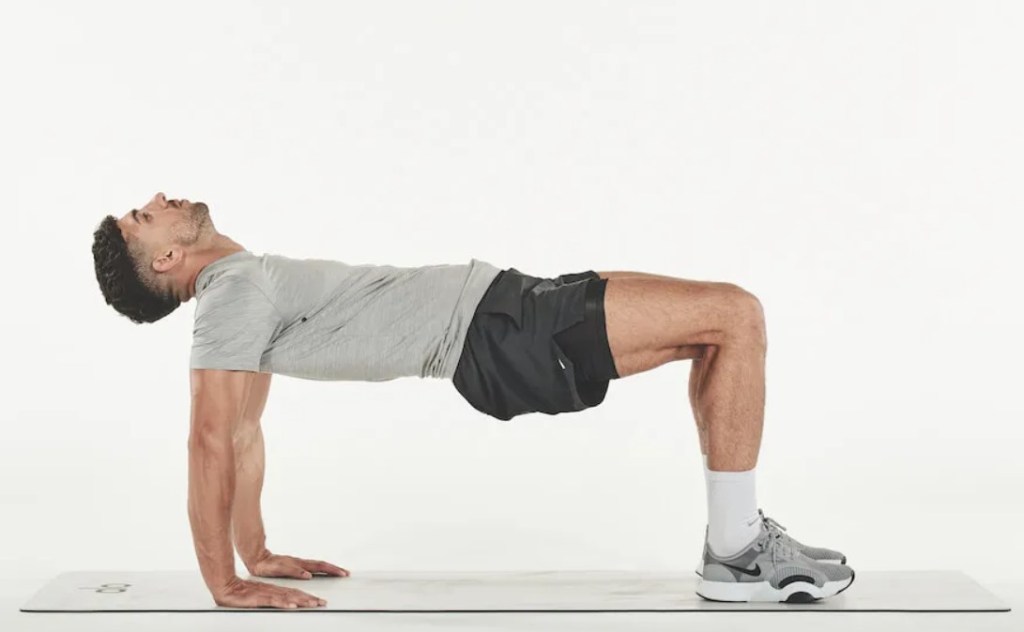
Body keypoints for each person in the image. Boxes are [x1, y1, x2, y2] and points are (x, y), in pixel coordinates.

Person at [91, 192, 855, 609]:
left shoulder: (242, 287)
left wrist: (255, 552)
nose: (158, 197)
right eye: (145, 214)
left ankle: (735, 542)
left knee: (717, 331)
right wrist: (223, 581)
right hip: (502, 332)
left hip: (506, 315)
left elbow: (247, 435)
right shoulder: (229, 299)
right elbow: (212, 442)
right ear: (167, 257)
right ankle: (737, 550)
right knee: (736, 313)